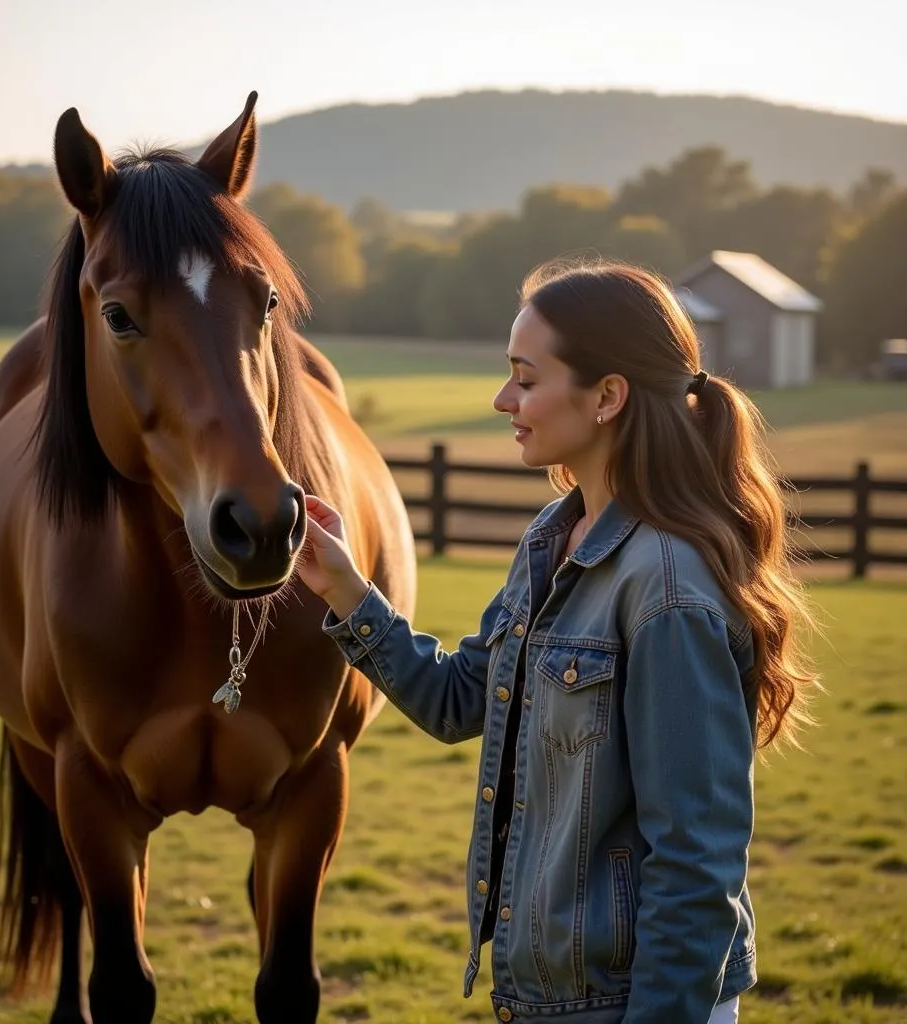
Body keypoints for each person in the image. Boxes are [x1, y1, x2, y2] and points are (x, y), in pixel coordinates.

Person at [296, 260, 818, 1024]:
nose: (504, 399)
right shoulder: (552, 540)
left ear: (607, 397)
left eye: (525, 378)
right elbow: (457, 700)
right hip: (546, 1000)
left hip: (631, 1006)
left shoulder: (668, 593)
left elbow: (698, 865)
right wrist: (345, 587)